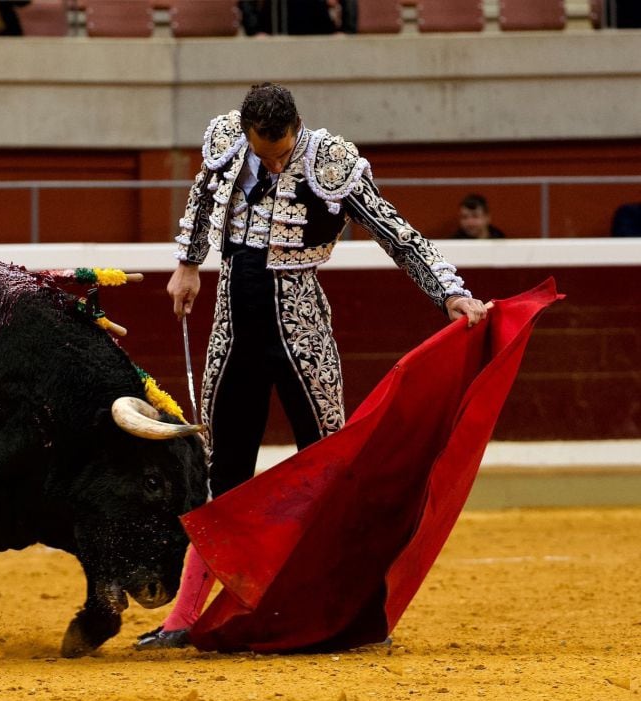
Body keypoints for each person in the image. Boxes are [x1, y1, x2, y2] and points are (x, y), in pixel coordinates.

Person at [135, 83, 487, 650]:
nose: (274, 161)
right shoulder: (228, 142)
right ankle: (182, 619)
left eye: (282, 150)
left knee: (330, 468)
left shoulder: (331, 160)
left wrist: (449, 292)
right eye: (264, 152)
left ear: (297, 125)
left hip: (301, 321)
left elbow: (396, 233)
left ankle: (352, 613)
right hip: (233, 319)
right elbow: (203, 197)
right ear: (247, 131)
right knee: (219, 474)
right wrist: (188, 264)